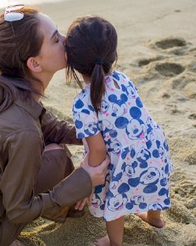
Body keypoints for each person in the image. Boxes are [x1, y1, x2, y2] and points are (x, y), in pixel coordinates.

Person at [0, 5, 109, 246]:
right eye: (56, 39)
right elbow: (19, 211)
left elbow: (51, 128)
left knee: (51, 147)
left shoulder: (2, 88)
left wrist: (97, 135)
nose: (66, 41)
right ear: (34, 64)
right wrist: (84, 180)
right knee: (57, 156)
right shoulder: (23, 130)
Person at [65, 16, 173, 246]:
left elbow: (98, 150)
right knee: (152, 181)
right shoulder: (123, 79)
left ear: (72, 63)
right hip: (155, 148)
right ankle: (155, 218)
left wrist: (88, 181)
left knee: (116, 202)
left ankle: (115, 242)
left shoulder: (83, 103)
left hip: (125, 162)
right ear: (112, 55)